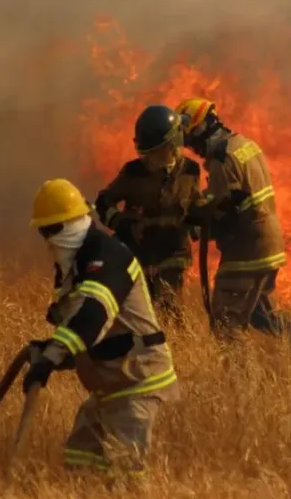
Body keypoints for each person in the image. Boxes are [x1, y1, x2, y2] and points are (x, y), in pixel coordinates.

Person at [23, 177, 180, 476]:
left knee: (126, 479)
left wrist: (51, 357)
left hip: (139, 386)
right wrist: (48, 352)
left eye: (50, 230)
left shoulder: (107, 256)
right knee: (80, 462)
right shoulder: (75, 266)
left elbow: (92, 318)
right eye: (43, 232)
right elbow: (83, 335)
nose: (47, 241)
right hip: (109, 389)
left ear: (69, 224)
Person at [174, 97, 288, 341]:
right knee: (266, 319)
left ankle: (239, 368)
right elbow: (236, 196)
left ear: (201, 129)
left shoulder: (222, 159)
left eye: (190, 140)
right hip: (271, 243)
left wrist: (192, 229)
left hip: (247, 251)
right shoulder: (245, 144)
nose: (192, 148)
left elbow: (228, 215)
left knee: (225, 323)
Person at [92, 105, 202, 327]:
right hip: (138, 257)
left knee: (172, 318)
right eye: (146, 153)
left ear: (172, 146)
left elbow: (195, 206)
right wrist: (119, 223)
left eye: (154, 152)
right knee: (135, 318)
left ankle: (175, 349)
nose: (149, 159)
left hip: (173, 257)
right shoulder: (133, 172)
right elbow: (103, 202)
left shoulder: (191, 171)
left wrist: (199, 222)